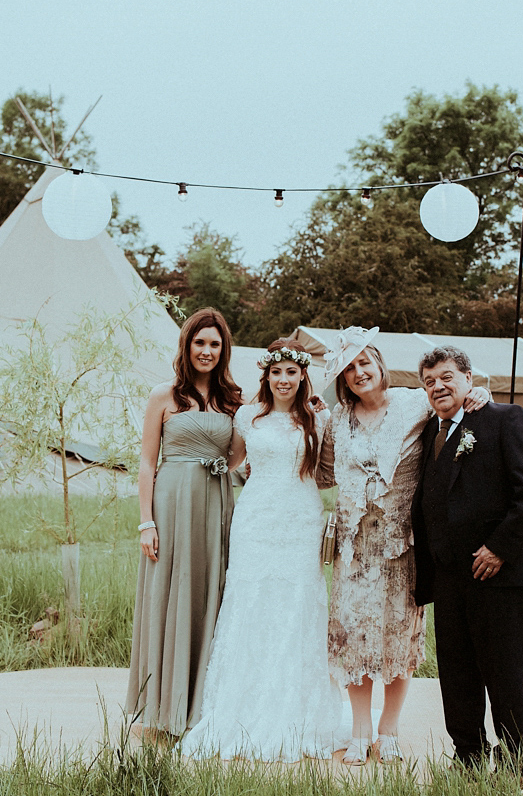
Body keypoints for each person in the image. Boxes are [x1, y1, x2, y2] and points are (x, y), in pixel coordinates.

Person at [316, 326, 489, 765]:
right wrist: (306, 421)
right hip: (355, 547)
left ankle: (388, 730)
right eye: (350, 368)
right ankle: (359, 730)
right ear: (343, 378)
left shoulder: (416, 403)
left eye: (365, 363)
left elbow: (455, 395)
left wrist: (480, 393)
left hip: (404, 545)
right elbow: (323, 474)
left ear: (379, 364)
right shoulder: (338, 416)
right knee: (352, 635)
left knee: (398, 634)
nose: (359, 373)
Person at [181, 339, 344, 761]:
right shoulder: (248, 415)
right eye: (277, 372)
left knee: (296, 607)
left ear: (303, 375)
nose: (284, 380)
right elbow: (230, 461)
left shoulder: (318, 417)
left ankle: (295, 711)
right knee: (250, 604)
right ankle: (239, 709)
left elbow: (327, 473)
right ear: (266, 375)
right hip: (255, 521)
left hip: (300, 521)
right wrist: (187, 469)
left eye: (292, 372)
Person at [411, 345, 523, 779]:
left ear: (469, 378)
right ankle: (468, 757)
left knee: (505, 677)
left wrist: (499, 548)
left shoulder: (504, 419)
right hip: (449, 579)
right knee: (456, 677)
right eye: (430, 381)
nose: (439, 386)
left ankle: (511, 768)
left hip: (499, 577)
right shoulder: (427, 434)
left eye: (447, 377)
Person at [126, 308, 245, 737]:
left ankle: (201, 706)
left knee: (210, 591)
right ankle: (165, 707)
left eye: (215, 344)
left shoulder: (235, 400)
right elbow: (145, 462)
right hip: (172, 503)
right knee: (170, 593)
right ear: (187, 345)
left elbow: (241, 455)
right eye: (200, 343)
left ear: (223, 349)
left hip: (216, 504)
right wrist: (146, 522)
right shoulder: (164, 395)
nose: (207, 351)